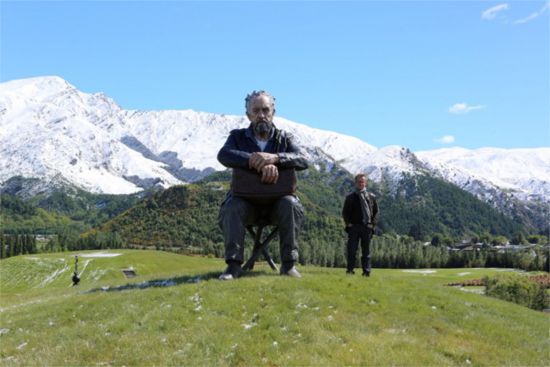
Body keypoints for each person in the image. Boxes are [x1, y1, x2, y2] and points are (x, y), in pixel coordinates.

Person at [217, 90, 309, 280]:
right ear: (248, 115)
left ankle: (289, 265)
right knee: (232, 206)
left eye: (265, 110)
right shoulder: (237, 137)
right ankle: (233, 267)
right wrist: (253, 159)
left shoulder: (285, 138)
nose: (261, 115)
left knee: (290, 204)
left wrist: (275, 158)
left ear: (273, 112)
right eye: (256, 110)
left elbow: (303, 160)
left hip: (277, 206)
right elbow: (223, 155)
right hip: (246, 205)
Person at [342, 173, 379, 276]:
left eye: (363, 182)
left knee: (366, 252)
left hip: (367, 227)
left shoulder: (371, 197)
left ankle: (366, 272)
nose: (361, 183)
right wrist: (348, 224)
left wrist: (373, 224)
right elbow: (345, 212)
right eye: (359, 182)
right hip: (354, 227)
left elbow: (376, 212)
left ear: (365, 183)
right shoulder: (350, 197)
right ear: (355, 183)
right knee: (352, 251)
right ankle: (350, 271)